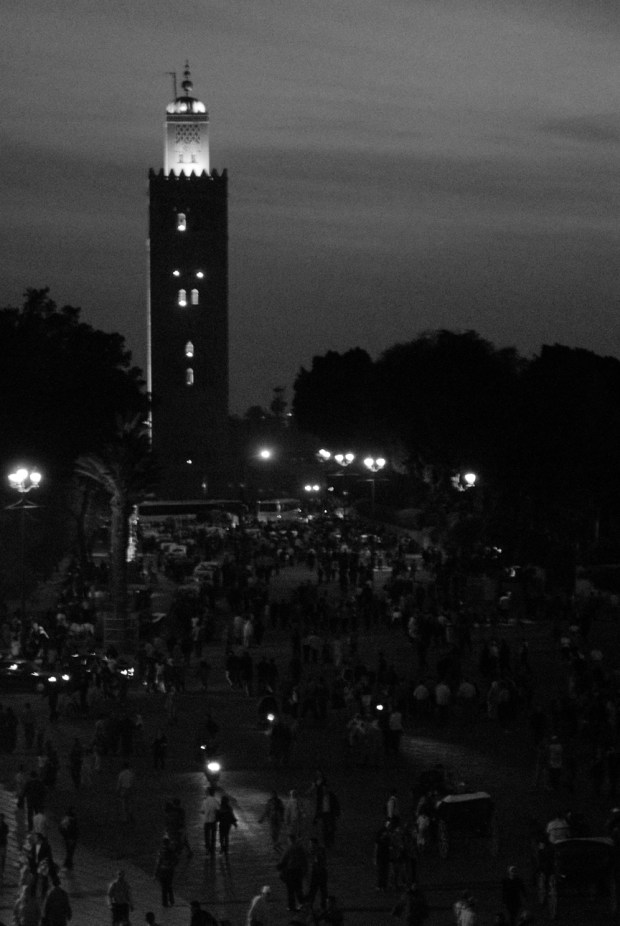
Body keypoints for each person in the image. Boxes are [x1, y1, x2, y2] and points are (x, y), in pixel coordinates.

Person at [277, 834, 307, 912]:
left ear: (289, 840)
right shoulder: (300, 849)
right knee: (299, 888)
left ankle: (291, 906)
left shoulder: (288, 849)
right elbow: (304, 860)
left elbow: (283, 860)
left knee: (290, 890)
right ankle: (302, 903)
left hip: (290, 872)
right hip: (298, 871)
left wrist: (279, 868)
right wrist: (305, 870)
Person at [154, 835, 177, 907]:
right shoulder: (171, 851)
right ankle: (171, 900)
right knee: (169, 886)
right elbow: (175, 861)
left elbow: (158, 863)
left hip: (163, 870)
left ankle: (165, 902)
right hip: (169, 870)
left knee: (164, 887)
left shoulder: (161, 851)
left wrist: (155, 874)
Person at [306, 836, 328, 910]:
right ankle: (311, 905)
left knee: (321, 890)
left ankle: (323, 905)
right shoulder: (313, 850)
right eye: (309, 844)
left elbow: (320, 861)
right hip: (316, 872)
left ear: (315, 844)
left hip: (320, 872)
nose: (310, 845)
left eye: (311, 844)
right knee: (314, 890)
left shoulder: (319, 850)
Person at [203, 785, 220, 855]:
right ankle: (212, 848)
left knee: (206, 835)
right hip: (213, 820)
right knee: (213, 835)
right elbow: (218, 809)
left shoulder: (205, 801)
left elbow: (202, 810)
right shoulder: (215, 801)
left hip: (206, 820)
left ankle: (207, 848)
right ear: (213, 793)